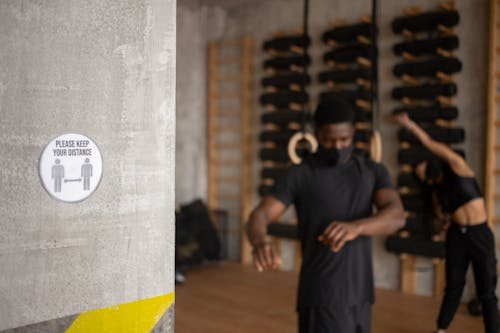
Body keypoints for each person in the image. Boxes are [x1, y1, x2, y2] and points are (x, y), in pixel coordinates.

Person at [246, 99, 405, 333]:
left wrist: (356, 228)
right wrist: (260, 240)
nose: (338, 146)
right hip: (323, 296)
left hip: (361, 295)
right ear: (317, 135)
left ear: (353, 134)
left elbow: (397, 216)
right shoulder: (300, 174)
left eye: (344, 140)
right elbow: (259, 215)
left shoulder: (373, 171)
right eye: (329, 140)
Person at [393, 112, 499, 333]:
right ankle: (441, 329)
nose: (421, 172)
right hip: (457, 236)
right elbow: (440, 216)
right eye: (419, 174)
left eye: (422, 167)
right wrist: (443, 223)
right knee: (453, 286)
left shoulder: (459, 167)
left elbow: (431, 144)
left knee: (487, 292)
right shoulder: (436, 192)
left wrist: (410, 125)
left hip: (479, 234)